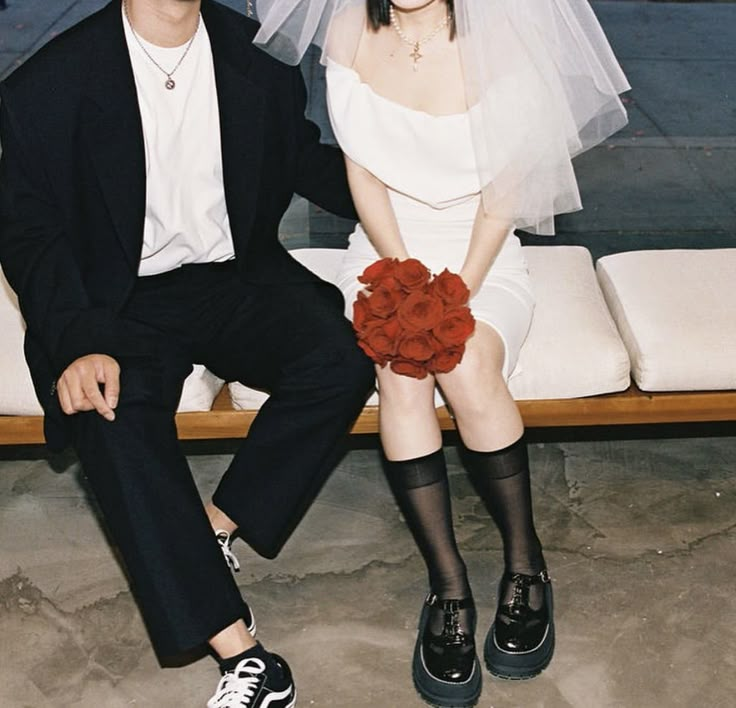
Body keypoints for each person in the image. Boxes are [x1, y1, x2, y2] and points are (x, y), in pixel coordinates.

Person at [253, 0, 629, 705]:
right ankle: (448, 586)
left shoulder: (506, 39)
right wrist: (398, 278)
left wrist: (452, 294)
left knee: (465, 364)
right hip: (385, 242)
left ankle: (525, 563)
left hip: (481, 253)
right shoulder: (345, 27)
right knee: (399, 375)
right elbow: (362, 174)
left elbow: (501, 199)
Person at [0, 0, 375, 706]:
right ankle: (246, 657)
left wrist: (423, 199)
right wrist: (78, 342)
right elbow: (29, 233)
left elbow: (299, 158)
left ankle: (211, 530)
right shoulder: (47, 85)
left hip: (235, 279)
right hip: (114, 299)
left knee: (342, 358)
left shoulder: (257, 53)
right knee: (110, 416)